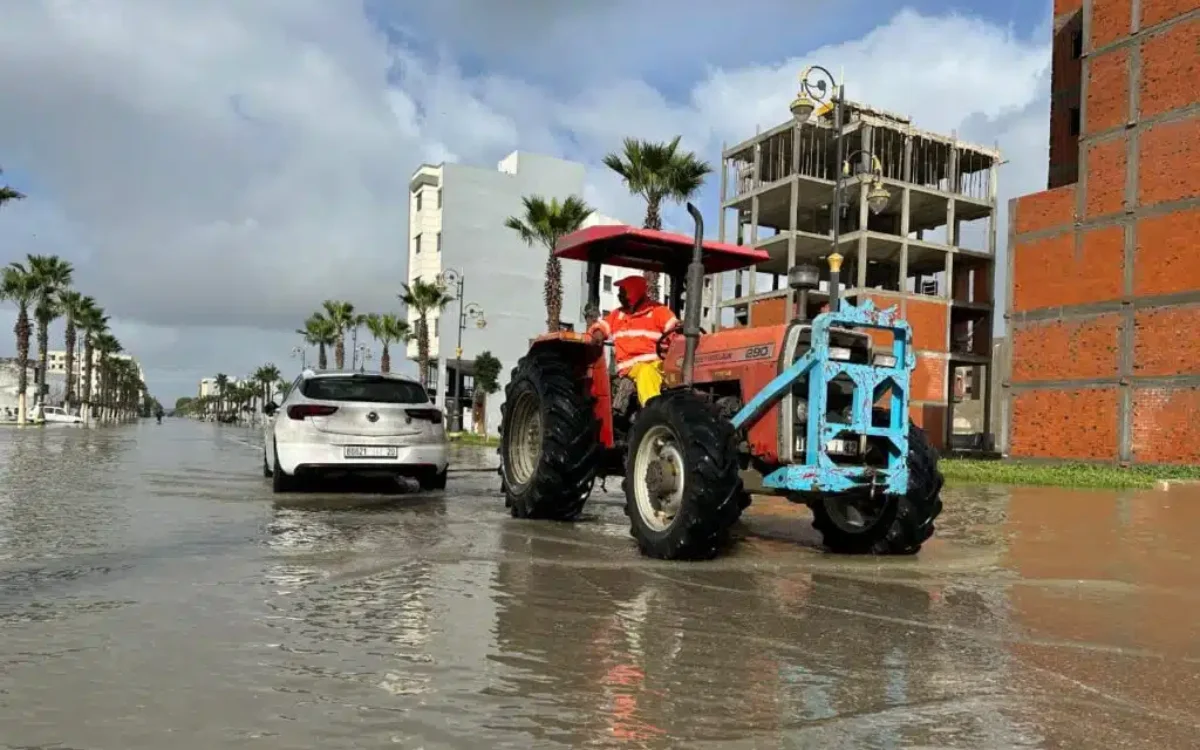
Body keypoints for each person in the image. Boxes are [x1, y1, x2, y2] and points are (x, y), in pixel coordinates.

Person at [588, 275, 679, 407]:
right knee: (645, 372)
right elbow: (601, 327)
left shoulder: (658, 311)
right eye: (619, 293)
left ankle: (652, 411)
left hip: (657, 365)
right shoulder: (617, 315)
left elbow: (676, 333)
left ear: (634, 293)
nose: (619, 296)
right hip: (629, 370)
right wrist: (597, 334)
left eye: (623, 293)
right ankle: (652, 413)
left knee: (647, 372)